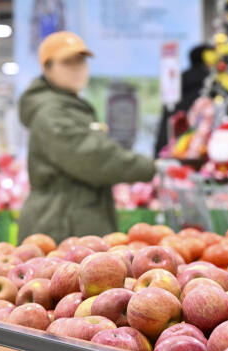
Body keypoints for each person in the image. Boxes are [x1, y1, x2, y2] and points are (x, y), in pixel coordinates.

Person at [18, 31, 155, 243]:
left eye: (81, 61)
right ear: (47, 68)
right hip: (61, 223)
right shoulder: (52, 112)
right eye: (67, 63)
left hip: (73, 216)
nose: (77, 69)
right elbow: (93, 157)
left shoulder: (70, 105)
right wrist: (149, 167)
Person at [154, 44, 212, 157]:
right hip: (197, 150)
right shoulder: (209, 84)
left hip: (171, 148)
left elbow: (167, 119)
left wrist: (159, 151)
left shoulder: (178, 82)